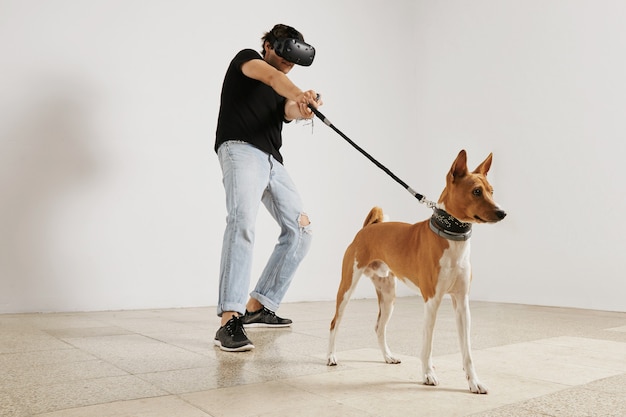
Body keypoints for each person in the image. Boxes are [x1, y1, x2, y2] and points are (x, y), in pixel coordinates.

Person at [213, 24, 322, 352]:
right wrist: (297, 91)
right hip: (240, 149)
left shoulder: (283, 88)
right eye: (288, 52)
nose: (290, 62)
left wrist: (303, 106)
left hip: (273, 162)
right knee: (242, 222)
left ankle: (259, 306)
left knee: (301, 232)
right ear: (270, 45)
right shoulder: (248, 61)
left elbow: (287, 110)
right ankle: (228, 321)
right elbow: (276, 79)